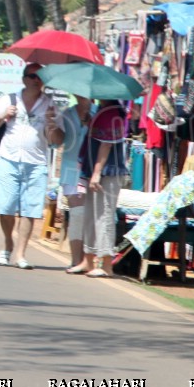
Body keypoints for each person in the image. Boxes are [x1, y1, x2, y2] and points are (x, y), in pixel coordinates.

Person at [0, 64, 52, 268]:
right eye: (32, 76)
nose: (36, 80)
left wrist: (52, 125)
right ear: (24, 79)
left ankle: (20, 254)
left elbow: (57, 139)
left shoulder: (50, 105)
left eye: (40, 77)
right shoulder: (9, 99)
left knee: (30, 210)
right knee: (5, 207)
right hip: (9, 159)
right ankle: (8, 243)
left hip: (36, 162)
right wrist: (3, 115)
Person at [78, 99, 129, 278]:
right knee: (91, 214)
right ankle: (88, 259)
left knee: (104, 214)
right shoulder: (102, 110)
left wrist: (97, 173)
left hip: (108, 172)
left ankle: (106, 263)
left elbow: (106, 145)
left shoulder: (113, 114)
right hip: (95, 170)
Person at [48, 95, 93, 272]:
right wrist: (51, 124)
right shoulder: (66, 114)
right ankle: (76, 260)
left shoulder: (98, 113)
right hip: (72, 169)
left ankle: (87, 260)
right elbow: (57, 141)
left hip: (92, 169)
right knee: (77, 214)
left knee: (88, 217)